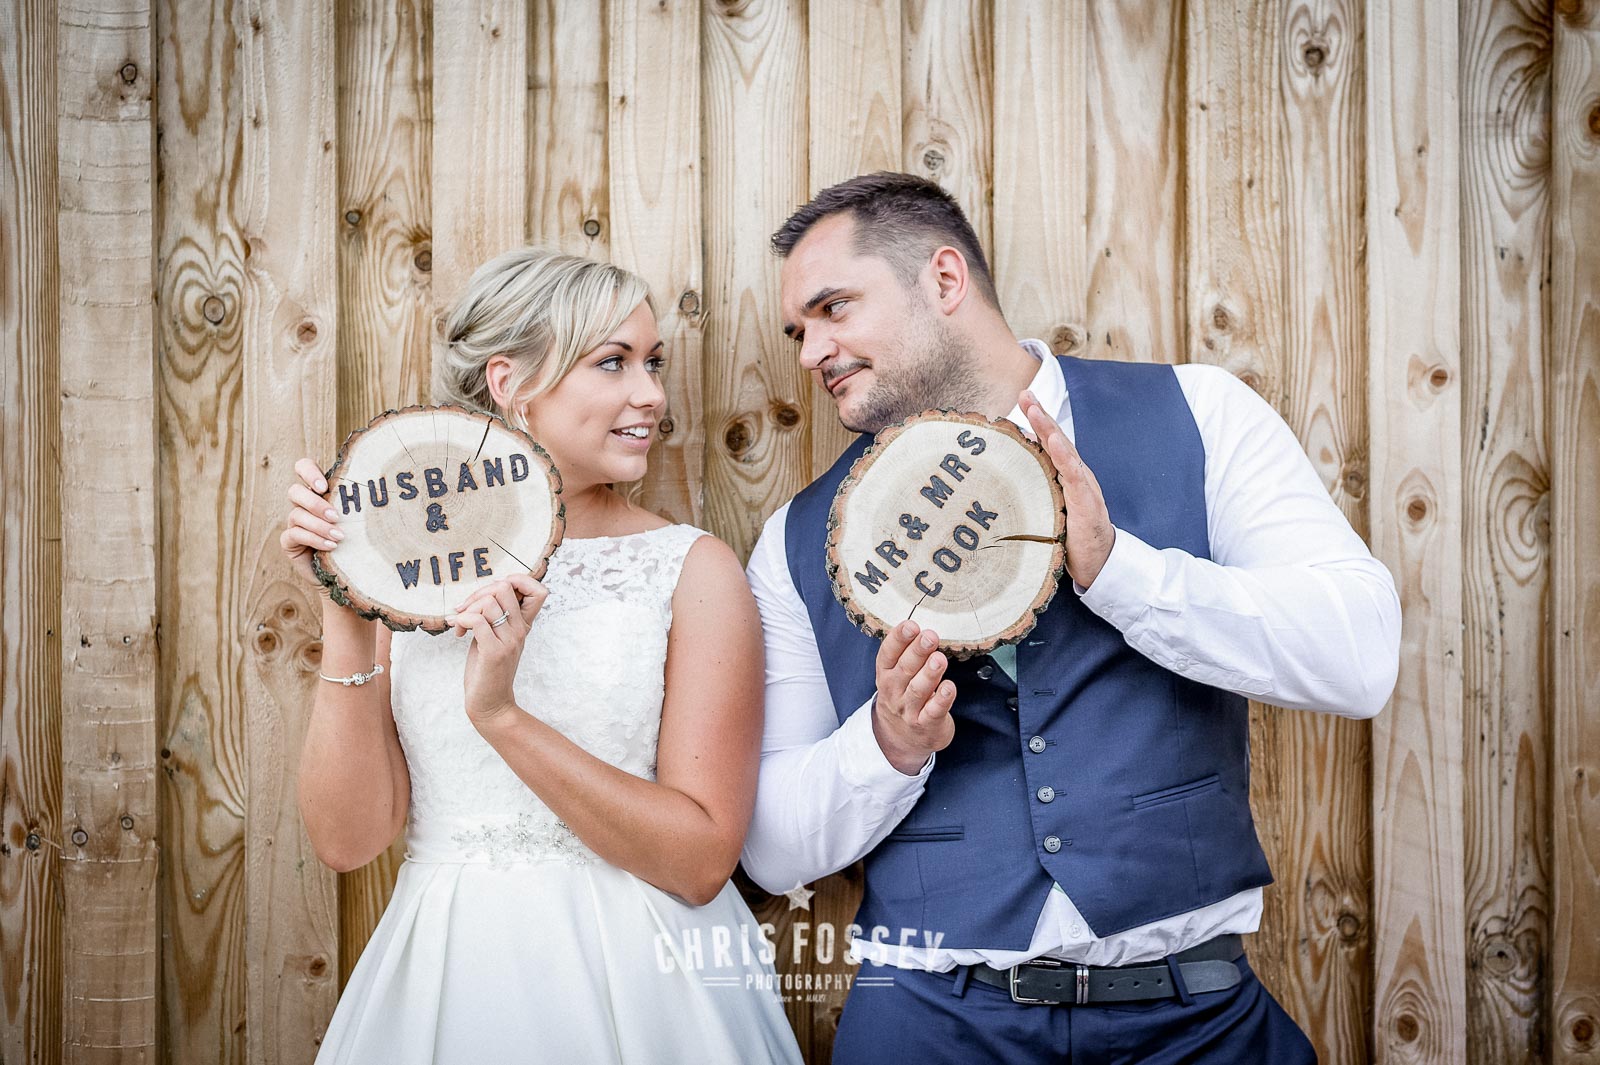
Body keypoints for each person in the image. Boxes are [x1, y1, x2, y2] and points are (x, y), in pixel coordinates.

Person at [739, 172, 1402, 1063]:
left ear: (944, 279)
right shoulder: (793, 542)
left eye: (833, 308)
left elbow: (1362, 654)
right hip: (930, 1025)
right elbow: (772, 849)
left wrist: (1122, 572)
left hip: (1195, 1021)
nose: (811, 351)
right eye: (798, 330)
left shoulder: (1199, 413)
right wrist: (887, 745)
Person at [284, 248, 803, 1064]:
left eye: (653, 362)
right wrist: (345, 601)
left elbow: (703, 860)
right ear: (510, 382)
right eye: (613, 362)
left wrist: (501, 717)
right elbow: (347, 842)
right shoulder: (416, 564)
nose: (652, 394)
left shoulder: (690, 570)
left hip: (645, 979)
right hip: (450, 972)